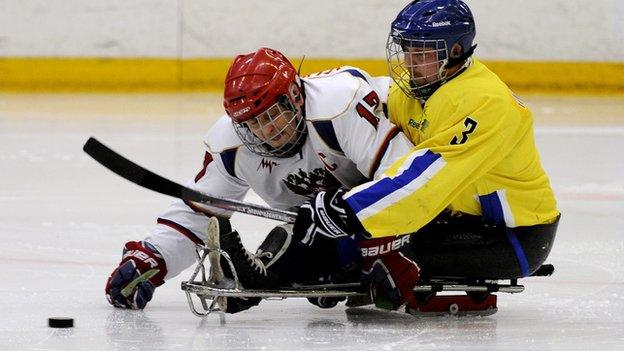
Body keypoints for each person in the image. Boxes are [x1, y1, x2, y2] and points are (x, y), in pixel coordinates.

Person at [292, 0, 560, 311]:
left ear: (455, 53)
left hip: (512, 238)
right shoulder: (414, 88)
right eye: (407, 49)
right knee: (348, 246)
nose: (409, 61)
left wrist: (349, 209)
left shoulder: (487, 104)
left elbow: (427, 179)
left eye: (421, 53)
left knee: (356, 248)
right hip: (457, 221)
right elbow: (362, 102)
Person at [104, 47, 415, 312]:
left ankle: (266, 274)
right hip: (326, 222)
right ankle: (265, 273)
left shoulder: (340, 107)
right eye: (250, 122)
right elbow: (198, 211)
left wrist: (383, 246)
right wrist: (152, 258)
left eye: (270, 116)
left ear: (295, 96)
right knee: (309, 233)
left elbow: (406, 176)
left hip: (402, 200)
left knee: (321, 231)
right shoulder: (231, 145)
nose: (263, 132)